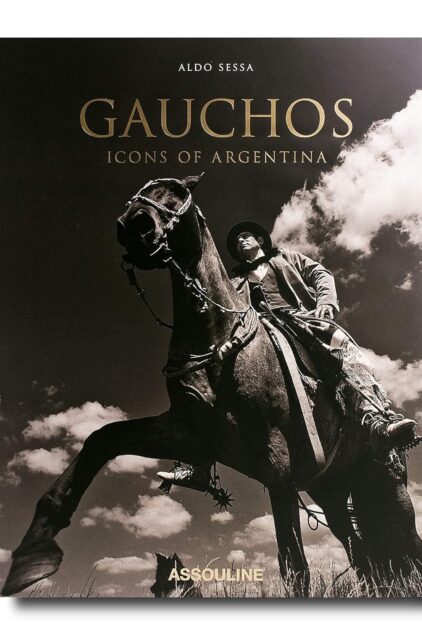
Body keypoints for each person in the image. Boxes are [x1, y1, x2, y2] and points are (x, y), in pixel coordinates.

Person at [157, 222, 417, 490]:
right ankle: (199, 467)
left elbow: (320, 273)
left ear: (260, 240)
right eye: (236, 241)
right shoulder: (235, 282)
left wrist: (325, 302)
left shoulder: (286, 257)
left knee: (342, 347)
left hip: (299, 320)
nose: (240, 241)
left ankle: (376, 420)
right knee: (216, 379)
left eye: (245, 236)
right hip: (256, 333)